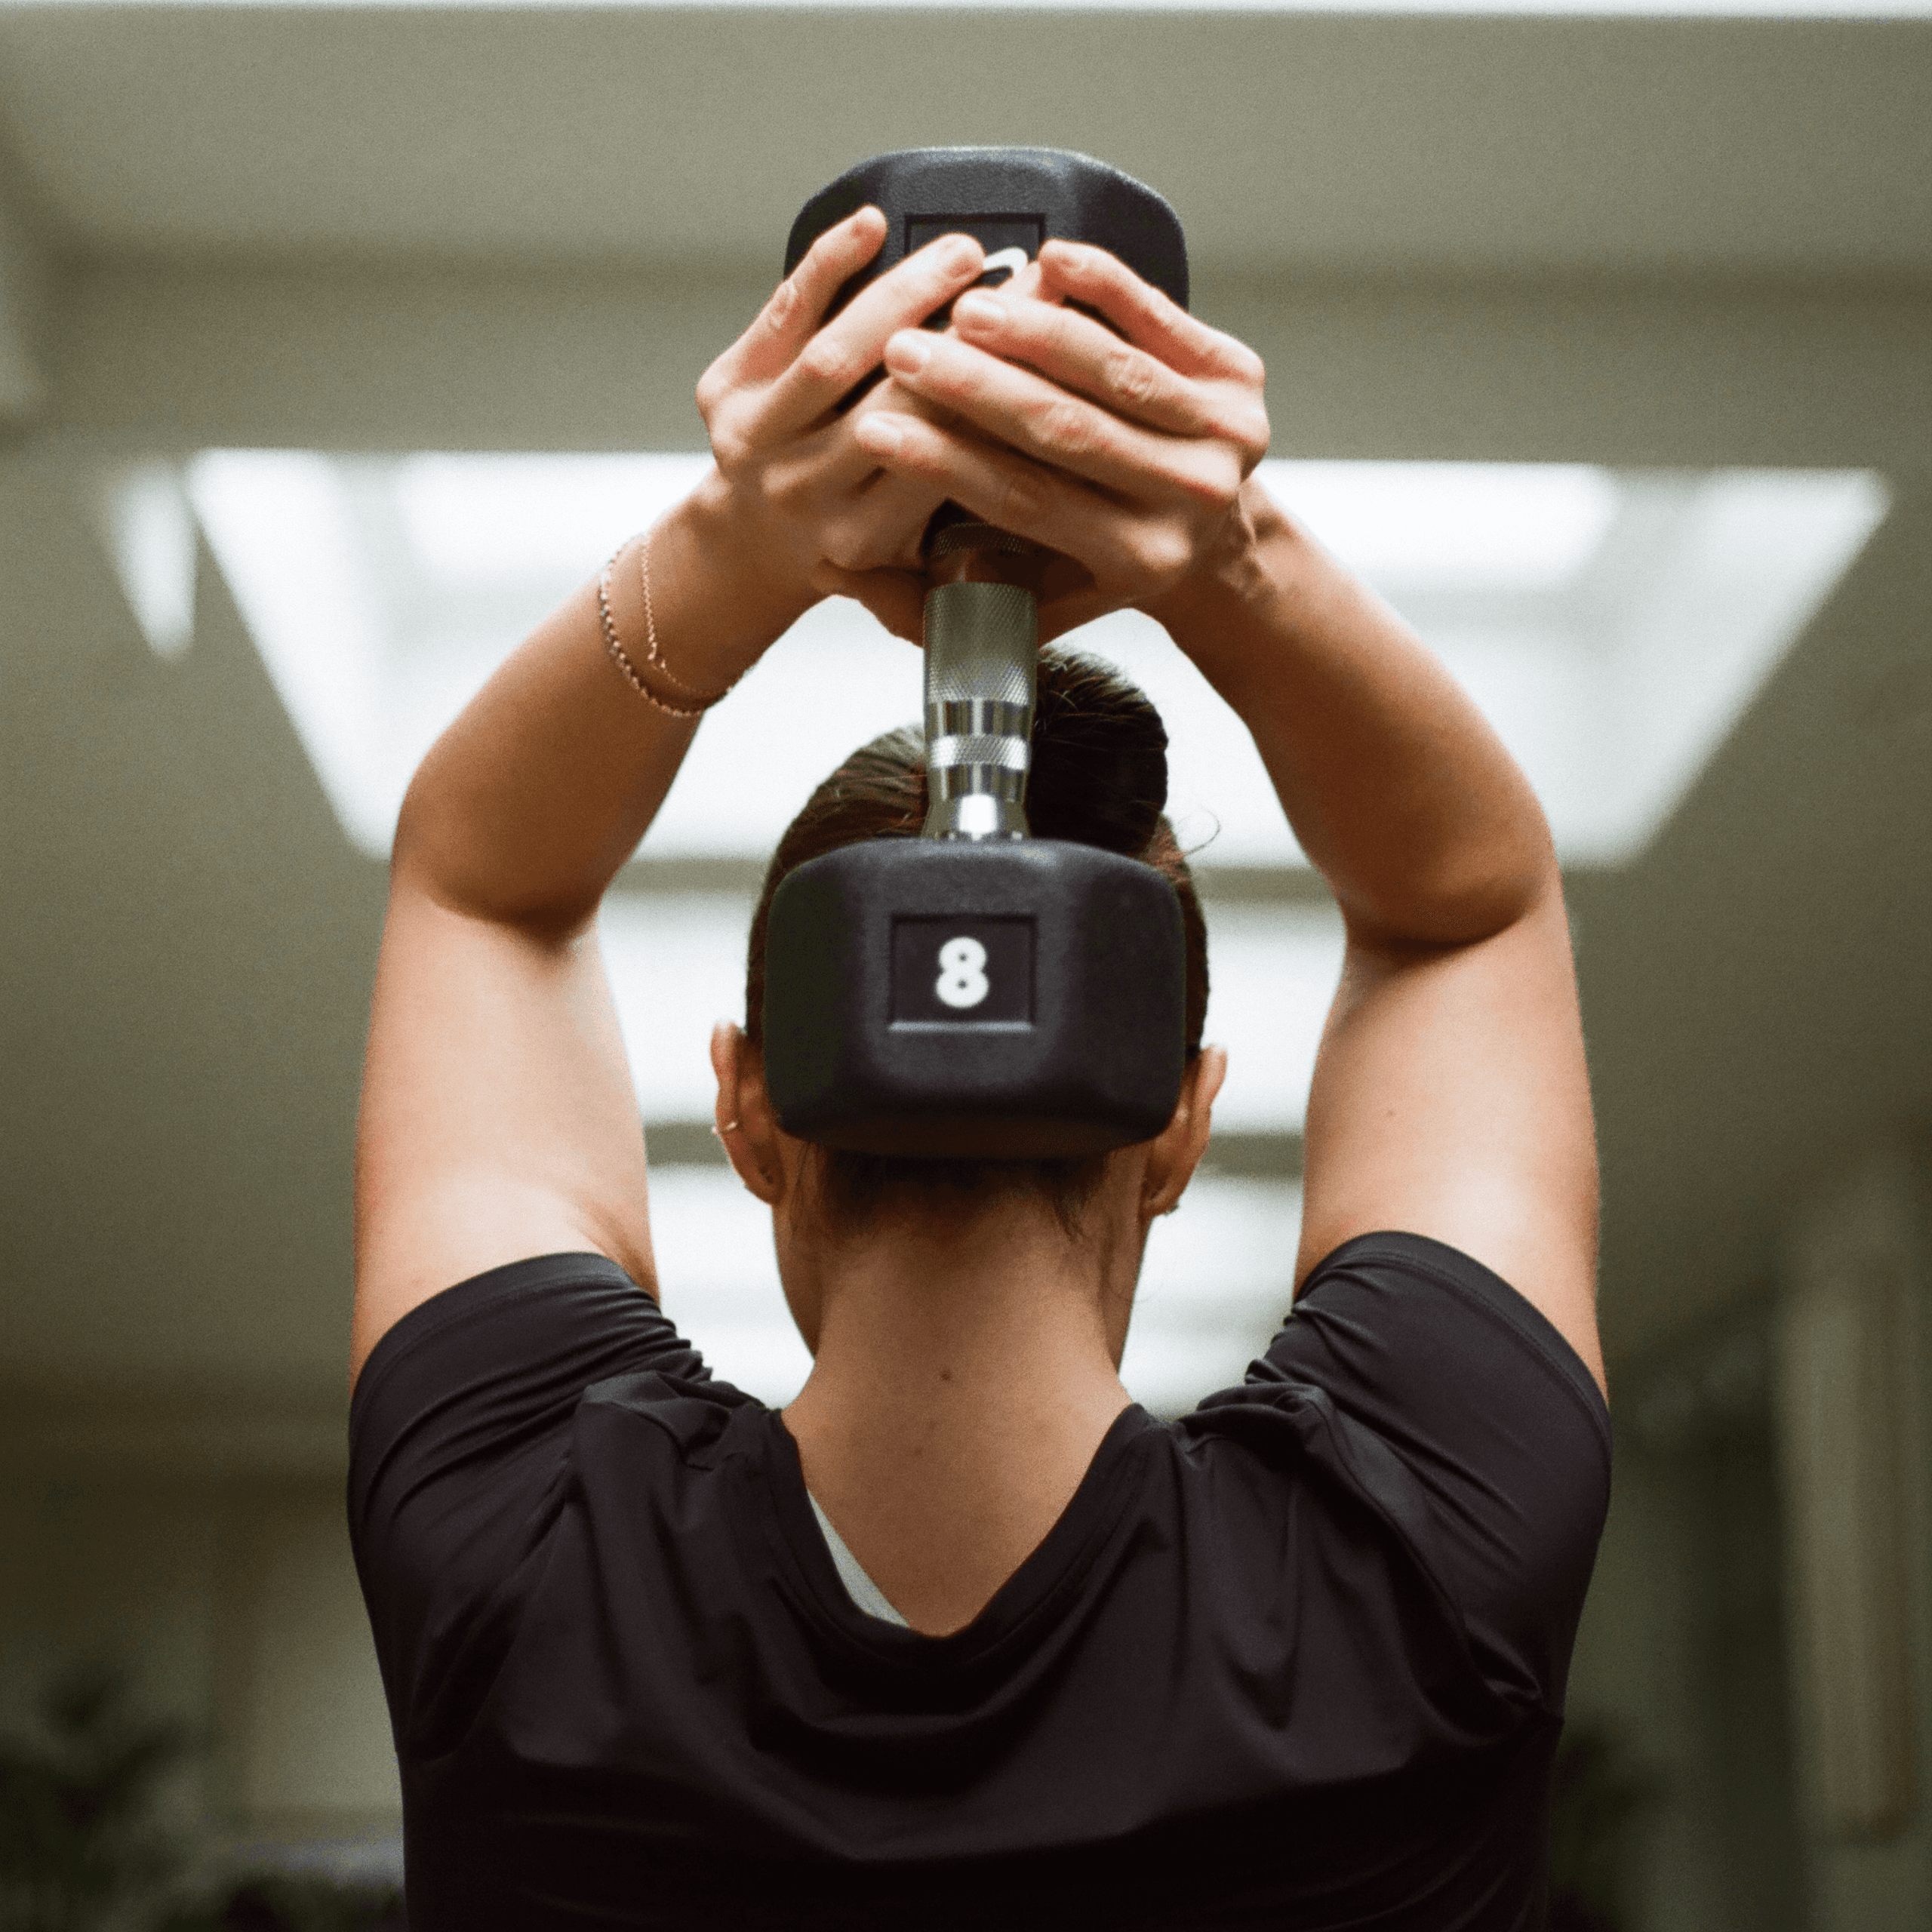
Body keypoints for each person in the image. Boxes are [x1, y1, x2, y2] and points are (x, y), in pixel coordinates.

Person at [348, 207, 1608, 1930]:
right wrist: (1216, 556)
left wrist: (740, 538)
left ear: (750, 1104)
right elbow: (1466, 907)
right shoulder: (1417, 1569)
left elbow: (478, 881)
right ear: (1177, 1118)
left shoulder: (522, 1566)